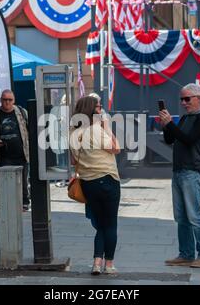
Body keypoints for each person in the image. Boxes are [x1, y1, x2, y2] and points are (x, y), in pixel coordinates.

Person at [160, 83, 200, 269]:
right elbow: (170, 139)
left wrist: (171, 124)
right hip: (178, 171)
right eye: (181, 99)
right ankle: (187, 254)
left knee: (194, 215)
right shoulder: (184, 119)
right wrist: (166, 126)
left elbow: (189, 140)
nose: (183, 102)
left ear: (198, 98)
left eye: (187, 99)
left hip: (192, 171)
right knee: (181, 216)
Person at [69, 96, 121, 275]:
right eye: (98, 108)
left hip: (88, 183)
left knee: (100, 225)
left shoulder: (74, 133)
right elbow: (116, 148)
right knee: (111, 224)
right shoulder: (96, 131)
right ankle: (109, 265)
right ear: (91, 111)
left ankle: (96, 263)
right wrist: (106, 127)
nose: (101, 111)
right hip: (107, 179)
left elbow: (73, 160)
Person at [0, 89, 31, 211]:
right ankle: (7, 204)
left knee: (22, 181)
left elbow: (30, 130)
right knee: (5, 182)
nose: (7, 102)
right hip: (3, 155)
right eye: (5, 100)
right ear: (1, 100)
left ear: (14, 100)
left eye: (10, 100)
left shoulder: (22, 113)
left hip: (21, 154)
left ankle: (24, 203)